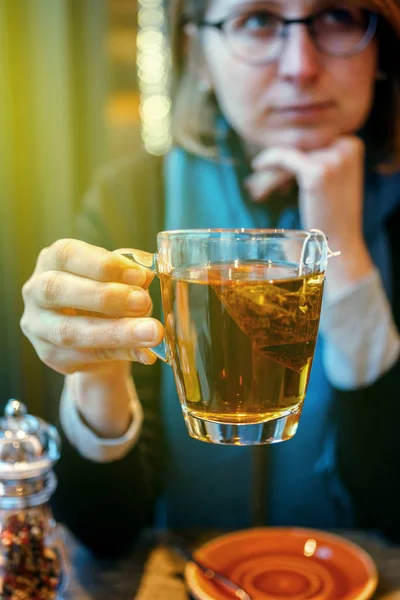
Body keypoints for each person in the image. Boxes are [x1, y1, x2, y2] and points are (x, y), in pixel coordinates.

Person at [21, 0, 400, 557]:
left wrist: (342, 262)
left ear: (381, 48)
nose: (300, 64)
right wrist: (97, 376)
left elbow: (393, 511)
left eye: (338, 16)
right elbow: (105, 531)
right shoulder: (133, 202)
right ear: (199, 55)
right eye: (257, 20)